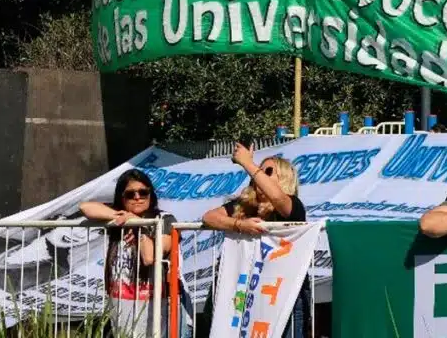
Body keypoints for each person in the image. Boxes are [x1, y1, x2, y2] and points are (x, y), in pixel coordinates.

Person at [201, 143, 308, 338]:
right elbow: (208, 217)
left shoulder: (291, 205)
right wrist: (240, 225)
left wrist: (247, 163)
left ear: (284, 178)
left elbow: (277, 198)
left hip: (281, 299)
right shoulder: (246, 205)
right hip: (245, 295)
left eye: (267, 171)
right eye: (259, 170)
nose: (258, 175)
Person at [79, 170, 181, 338]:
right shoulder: (118, 219)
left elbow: (150, 257)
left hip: (153, 305)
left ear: (150, 194)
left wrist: (138, 225)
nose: (137, 197)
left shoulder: (164, 219)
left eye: (143, 192)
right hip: (120, 303)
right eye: (130, 194)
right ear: (122, 198)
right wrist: (122, 216)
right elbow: (85, 207)